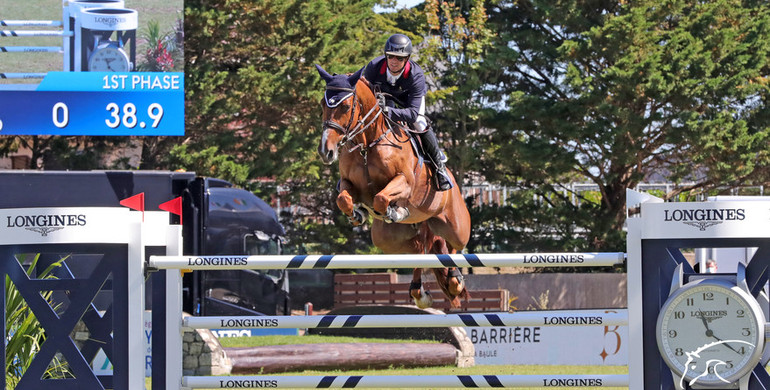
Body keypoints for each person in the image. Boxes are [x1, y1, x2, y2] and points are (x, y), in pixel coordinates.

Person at [362, 33, 453, 191]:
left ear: (407, 59)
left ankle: (439, 167)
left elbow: (411, 113)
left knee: (419, 123)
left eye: (399, 58)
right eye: (391, 57)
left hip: (409, 102)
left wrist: (387, 110)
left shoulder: (416, 75)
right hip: (386, 98)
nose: (394, 62)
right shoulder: (373, 67)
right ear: (386, 55)